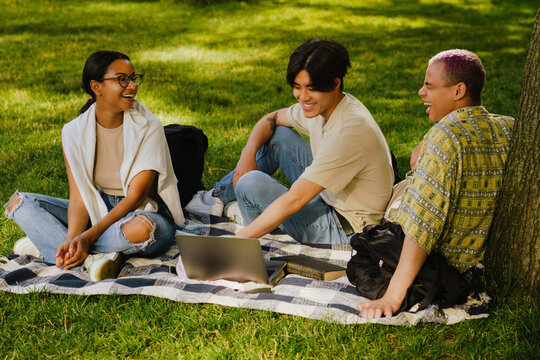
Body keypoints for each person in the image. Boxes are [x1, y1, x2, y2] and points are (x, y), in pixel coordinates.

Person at [186, 39, 394, 244]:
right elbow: (272, 118)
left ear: (335, 83)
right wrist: (247, 154)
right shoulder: (329, 105)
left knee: (248, 184)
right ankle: (217, 197)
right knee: (279, 136)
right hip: (331, 196)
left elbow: (296, 199)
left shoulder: (349, 130)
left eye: (311, 88)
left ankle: (255, 238)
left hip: (348, 227)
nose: (303, 97)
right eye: (297, 87)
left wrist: (236, 242)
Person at [358, 49, 514, 318]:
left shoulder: (446, 138)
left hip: (438, 260)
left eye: (429, 85)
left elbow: (422, 225)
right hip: (474, 259)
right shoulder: (508, 127)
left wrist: (392, 298)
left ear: (458, 90)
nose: (421, 92)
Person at [4, 51, 184, 281]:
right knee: (19, 203)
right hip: (99, 208)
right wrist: (72, 239)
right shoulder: (73, 132)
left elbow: (136, 197)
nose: (132, 86)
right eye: (122, 79)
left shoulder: (149, 126)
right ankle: (85, 257)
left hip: (141, 213)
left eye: (132, 78)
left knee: (144, 230)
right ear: (96, 87)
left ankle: (51, 247)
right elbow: (79, 199)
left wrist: (87, 237)